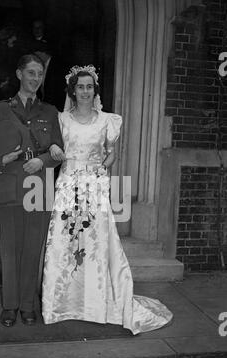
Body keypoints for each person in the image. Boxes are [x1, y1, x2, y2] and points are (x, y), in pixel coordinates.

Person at [42, 65, 173, 334]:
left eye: (90, 86)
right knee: (65, 242)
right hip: (68, 186)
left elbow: (110, 153)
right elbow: (54, 147)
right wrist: (55, 151)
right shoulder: (61, 120)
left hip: (94, 187)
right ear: (73, 90)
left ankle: (96, 302)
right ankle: (61, 304)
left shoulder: (108, 121)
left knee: (96, 242)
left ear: (95, 90)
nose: (85, 91)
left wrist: (105, 165)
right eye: (81, 87)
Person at [0, 54, 63, 327]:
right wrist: (0, 160)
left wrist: (43, 160)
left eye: (39, 74)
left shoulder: (50, 112)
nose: (35, 79)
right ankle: (10, 306)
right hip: (9, 185)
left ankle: (27, 305)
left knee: (32, 249)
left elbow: (60, 151)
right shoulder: (1, 109)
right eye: (31, 73)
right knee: (9, 250)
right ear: (19, 74)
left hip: (38, 185)